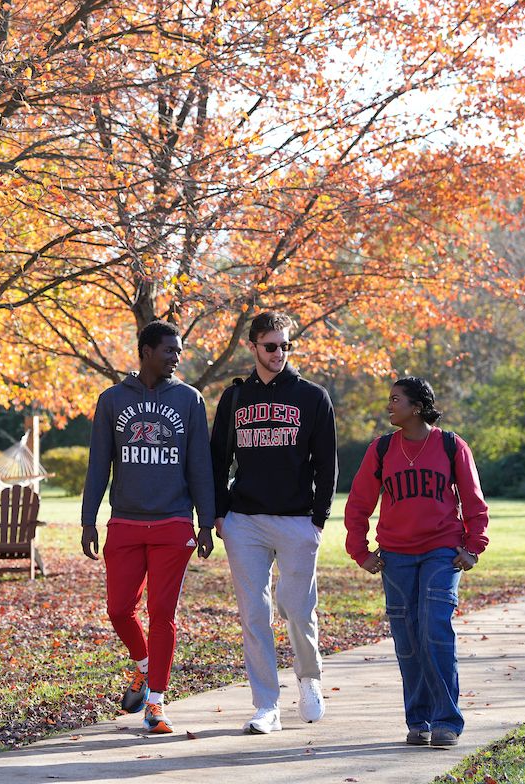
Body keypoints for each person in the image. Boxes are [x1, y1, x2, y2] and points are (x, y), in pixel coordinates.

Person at [81, 319, 217, 735]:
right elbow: (98, 463)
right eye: (169, 351)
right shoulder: (112, 400)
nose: (177, 357)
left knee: (163, 614)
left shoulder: (189, 400)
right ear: (145, 351)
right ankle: (143, 665)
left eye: (179, 351)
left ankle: (156, 702)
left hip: (174, 521)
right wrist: (88, 519)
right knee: (119, 610)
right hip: (124, 521)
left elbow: (200, 465)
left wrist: (206, 521)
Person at [209, 311, 337, 734]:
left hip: (298, 520)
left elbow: (326, 463)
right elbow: (218, 457)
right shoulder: (235, 398)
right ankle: (266, 705)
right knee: (254, 613)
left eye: (285, 345)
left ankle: (309, 678)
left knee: (298, 610)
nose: (279, 353)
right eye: (271, 346)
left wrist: (318, 519)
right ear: (253, 347)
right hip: (245, 521)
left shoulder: (313, 397)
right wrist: (219, 512)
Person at [343, 376, 489, 748]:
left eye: (396, 400)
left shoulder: (451, 446)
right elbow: (359, 503)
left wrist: (473, 547)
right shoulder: (381, 449)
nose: (389, 406)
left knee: (434, 629)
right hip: (396, 556)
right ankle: (419, 719)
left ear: (417, 407)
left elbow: (473, 501)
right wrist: (360, 551)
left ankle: (446, 721)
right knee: (407, 639)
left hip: (442, 551)